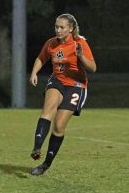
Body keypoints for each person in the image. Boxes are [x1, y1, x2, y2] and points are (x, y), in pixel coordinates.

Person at [29, 13, 96, 176]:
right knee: (47, 110)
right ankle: (37, 147)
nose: (58, 30)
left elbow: (93, 68)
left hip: (76, 86)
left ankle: (46, 164)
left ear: (70, 29)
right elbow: (41, 58)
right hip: (57, 81)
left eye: (61, 27)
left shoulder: (80, 43)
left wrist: (80, 56)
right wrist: (34, 73)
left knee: (59, 126)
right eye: (56, 27)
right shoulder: (51, 43)